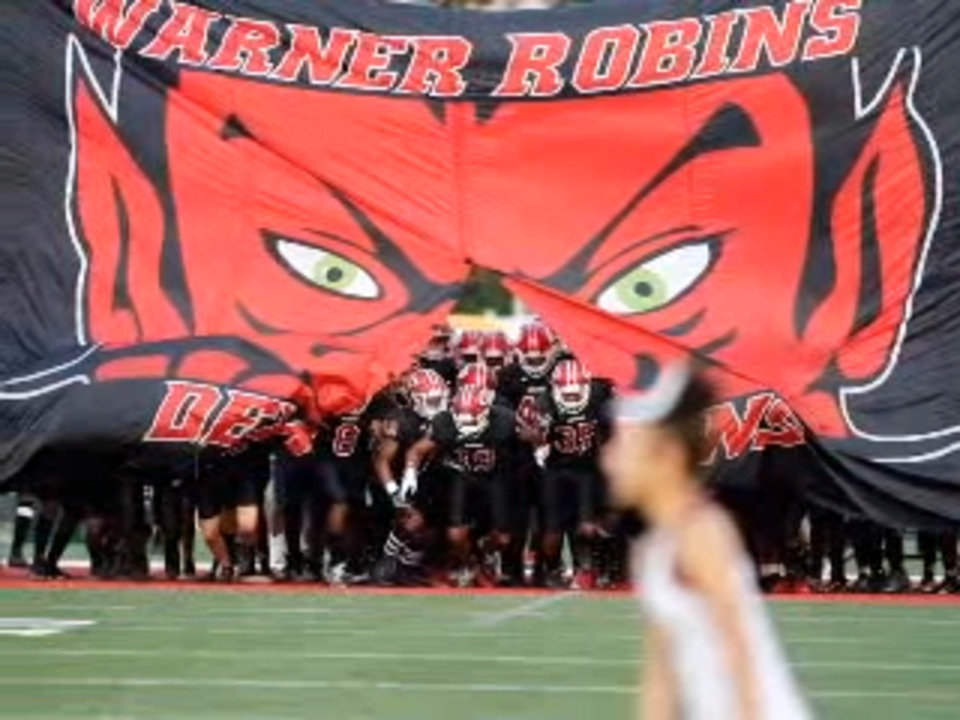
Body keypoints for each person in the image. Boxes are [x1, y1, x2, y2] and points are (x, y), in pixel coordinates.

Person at [601, 363, 812, 720]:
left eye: (624, 445)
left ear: (667, 455)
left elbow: (740, 645)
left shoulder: (701, 531)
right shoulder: (653, 548)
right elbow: (661, 673)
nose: (608, 460)